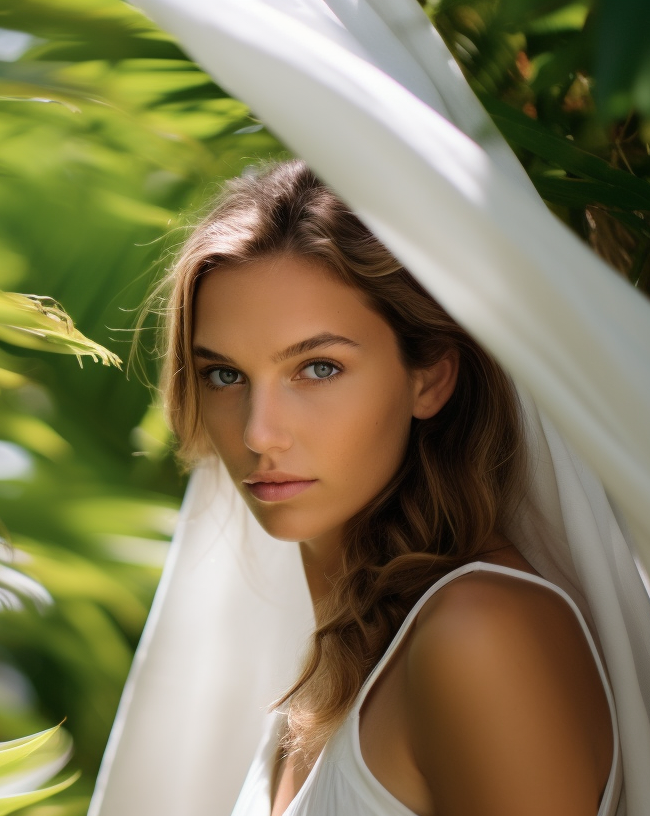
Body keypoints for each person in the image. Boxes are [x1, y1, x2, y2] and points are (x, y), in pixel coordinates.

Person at [158, 159, 616, 815]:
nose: (260, 434)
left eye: (318, 367)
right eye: (225, 376)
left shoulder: (479, 636)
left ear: (430, 378)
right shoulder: (330, 669)